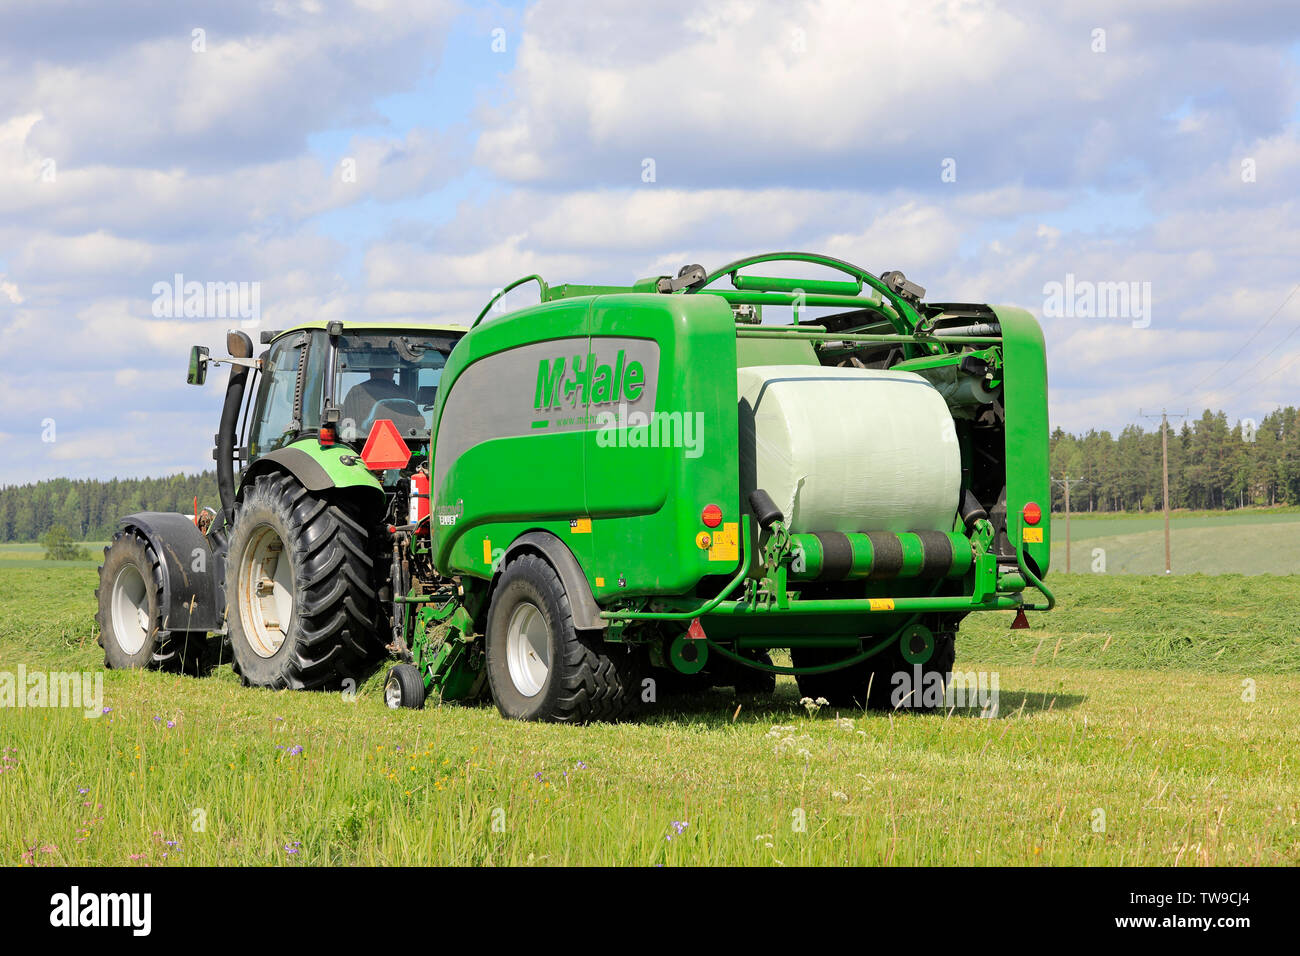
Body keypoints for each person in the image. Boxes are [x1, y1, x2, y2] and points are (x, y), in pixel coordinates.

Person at [341, 366, 405, 438]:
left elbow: (347, 424)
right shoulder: (401, 393)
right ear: (389, 371)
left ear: (371, 370)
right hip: (403, 444)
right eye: (392, 369)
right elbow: (416, 424)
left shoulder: (355, 392)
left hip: (360, 445)